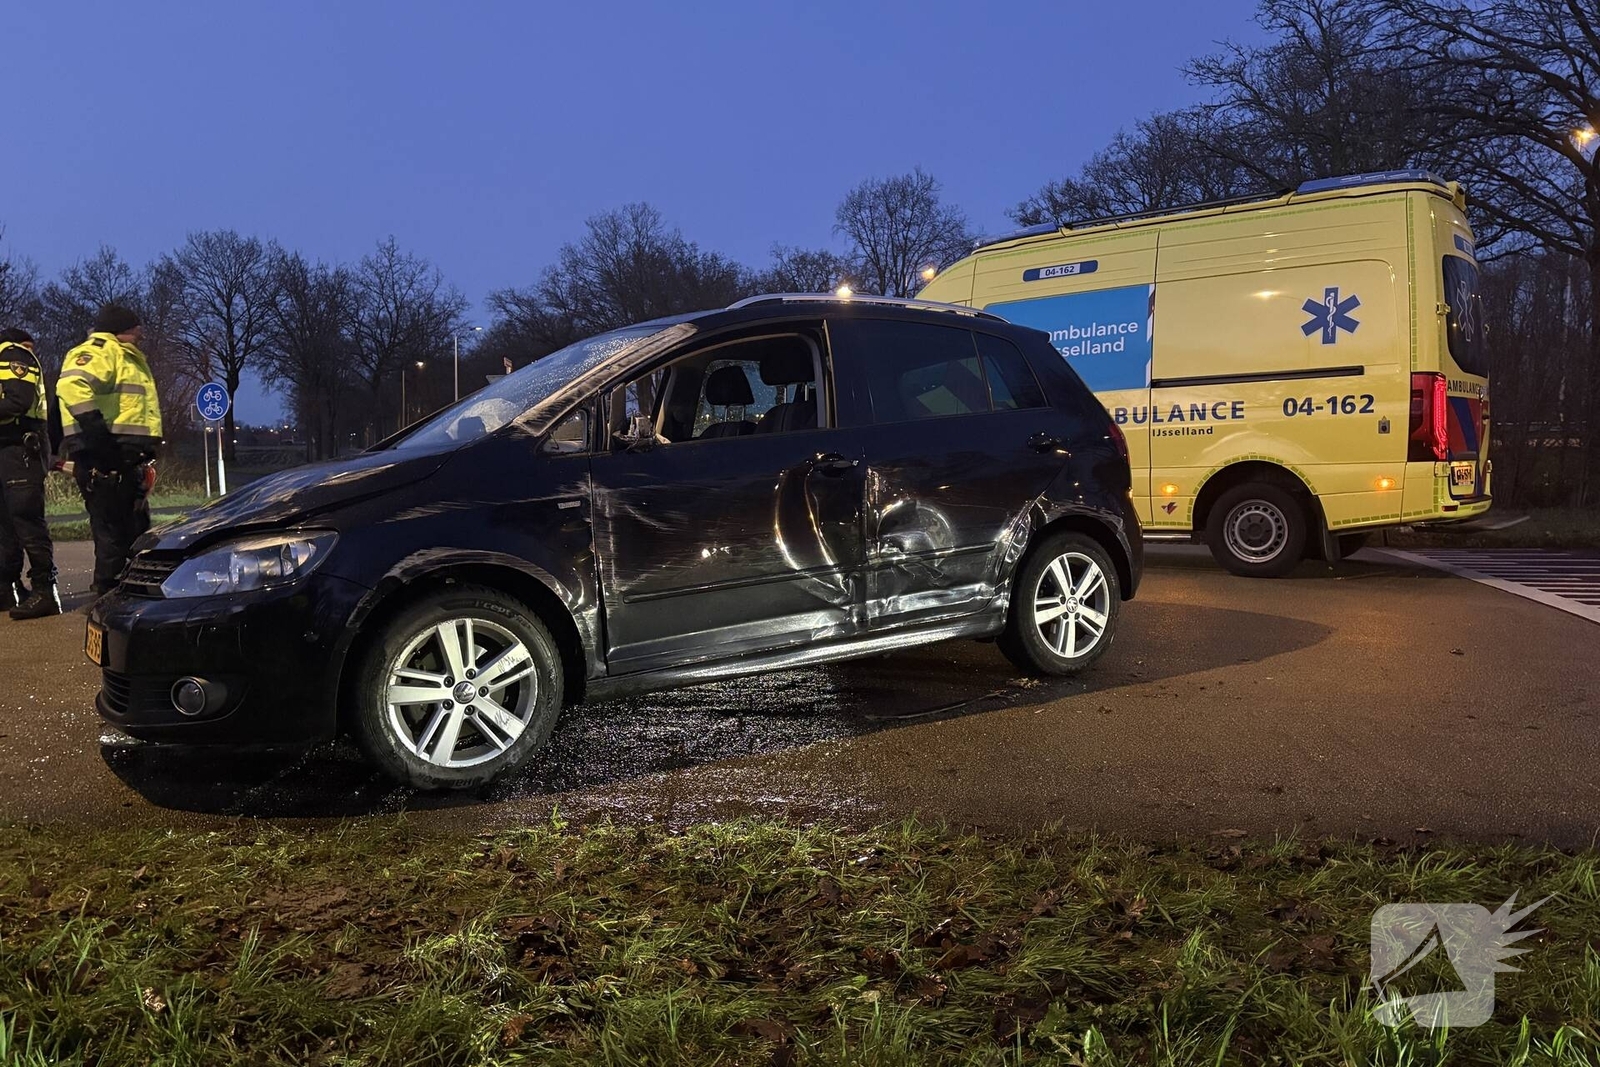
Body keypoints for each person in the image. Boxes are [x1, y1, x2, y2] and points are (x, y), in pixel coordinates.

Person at [57, 305, 162, 596]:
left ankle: (126, 595)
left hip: (124, 459)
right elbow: (71, 386)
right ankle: (107, 599)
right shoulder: (102, 351)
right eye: (137, 329)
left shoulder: (126, 356)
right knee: (113, 534)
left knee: (132, 530)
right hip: (105, 458)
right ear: (122, 328)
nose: (141, 335)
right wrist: (97, 434)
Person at [0, 327, 59, 618]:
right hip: (8, 450)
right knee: (6, 524)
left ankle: (44, 591)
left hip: (21, 449)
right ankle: (8, 590)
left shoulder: (12, 354)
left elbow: (18, 402)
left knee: (26, 519)